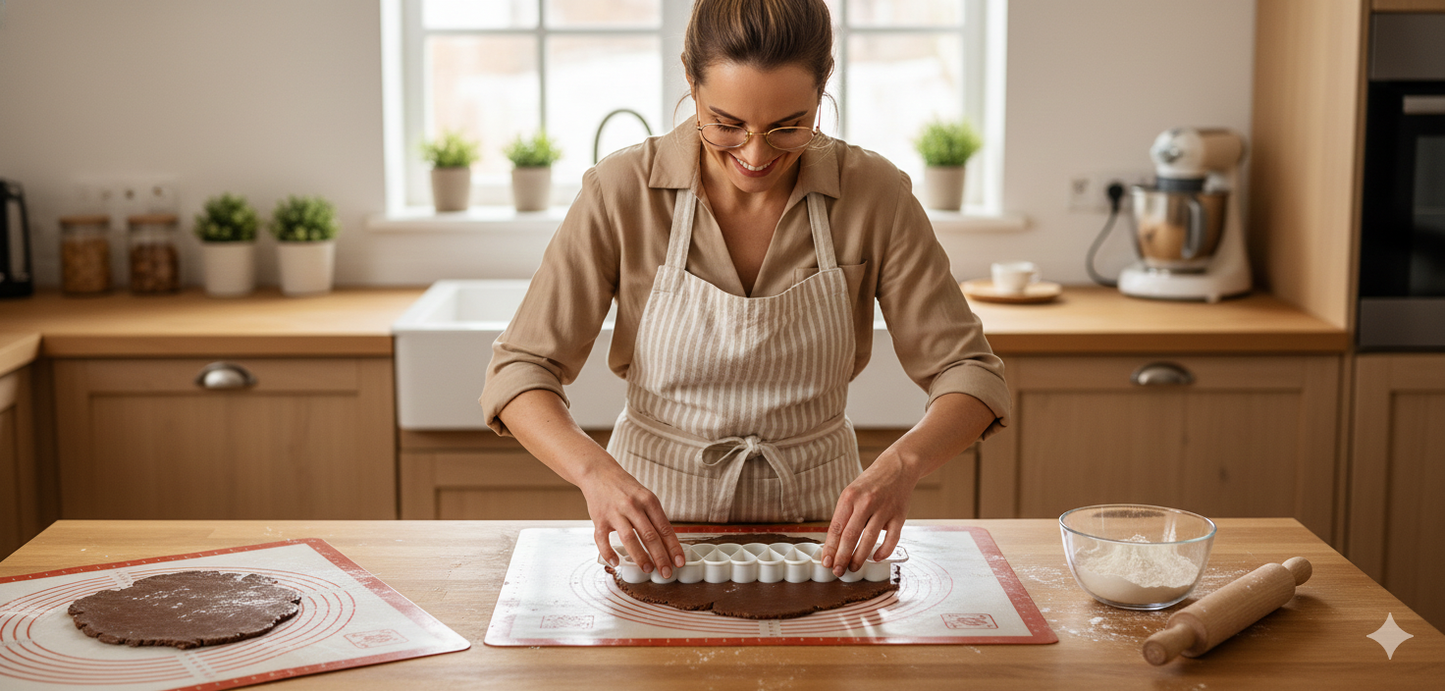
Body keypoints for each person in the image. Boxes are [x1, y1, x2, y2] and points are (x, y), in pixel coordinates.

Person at [481, 0, 1009, 581]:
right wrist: (595, 474)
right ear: (690, 80)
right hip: (658, 542)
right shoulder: (621, 191)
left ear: (823, 86)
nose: (756, 155)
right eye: (726, 124)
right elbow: (520, 372)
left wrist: (902, 465)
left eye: (788, 126)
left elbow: (970, 373)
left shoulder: (874, 193)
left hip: (820, 542)